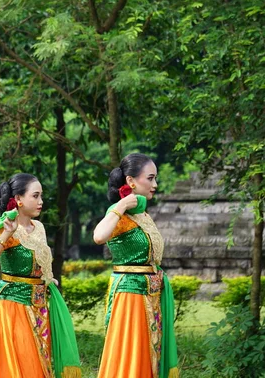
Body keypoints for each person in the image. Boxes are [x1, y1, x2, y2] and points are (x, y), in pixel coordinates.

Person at [0, 173, 81, 378]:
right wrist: (6, 234)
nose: (41, 201)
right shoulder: (4, 227)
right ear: (18, 199)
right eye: (35, 196)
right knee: (23, 365)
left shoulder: (39, 227)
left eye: (41, 196)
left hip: (39, 307)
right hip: (13, 307)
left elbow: (37, 262)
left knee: (40, 362)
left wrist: (46, 278)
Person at [94, 153, 179, 378]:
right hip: (130, 296)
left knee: (150, 354)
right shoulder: (120, 215)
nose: (155, 184)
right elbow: (99, 236)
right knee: (131, 357)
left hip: (152, 294)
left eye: (155, 178)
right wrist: (121, 204)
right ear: (131, 181)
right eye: (150, 178)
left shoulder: (142, 214)